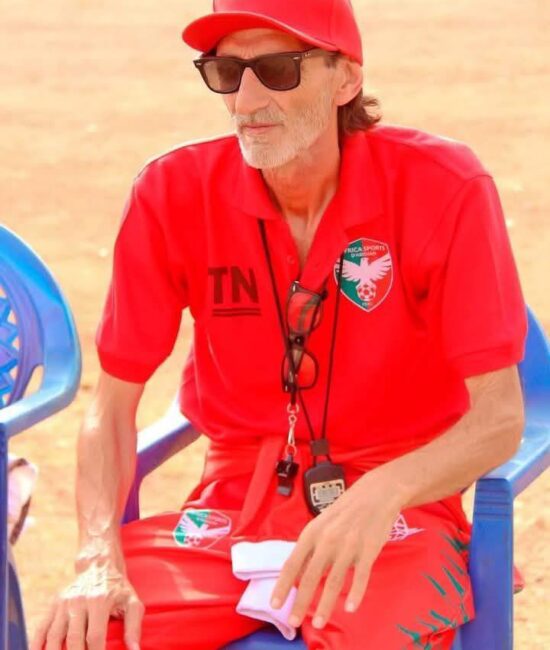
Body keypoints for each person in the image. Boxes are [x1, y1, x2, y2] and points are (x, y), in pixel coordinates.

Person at [32, 1, 527, 649]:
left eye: (277, 69)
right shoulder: (171, 192)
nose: (246, 100)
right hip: (231, 508)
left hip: (398, 512)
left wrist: (385, 491)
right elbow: (111, 406)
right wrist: (96, 553)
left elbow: (500, 417)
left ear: (345, 78)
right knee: (79, 634)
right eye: (226, 72)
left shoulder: (444, 185)